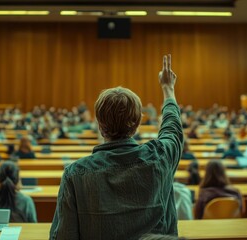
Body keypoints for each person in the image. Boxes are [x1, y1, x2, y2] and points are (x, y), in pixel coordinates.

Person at [50, 54, 183, 239]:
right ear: (137, 124)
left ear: (99, 124)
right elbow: (172, 130)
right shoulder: (160, 157)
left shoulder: (75, 174)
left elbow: (64, 235)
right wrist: (168, 89)